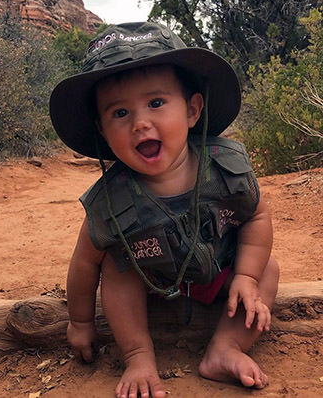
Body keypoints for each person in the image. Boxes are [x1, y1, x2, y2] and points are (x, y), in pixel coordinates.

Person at [49, 22, 279, 398]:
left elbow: (256, 215)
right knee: (114, 267)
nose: (141, 123)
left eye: (156, 103)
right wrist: (79, 321)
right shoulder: (112, 200)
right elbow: (84, 263)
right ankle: (139, 355)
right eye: (120, 113)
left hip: (218, 274)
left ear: (192, 110)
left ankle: (226, 347)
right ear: (102, 131)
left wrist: (247, 278)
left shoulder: (225, 168)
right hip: (151, 285)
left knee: (267, 269)